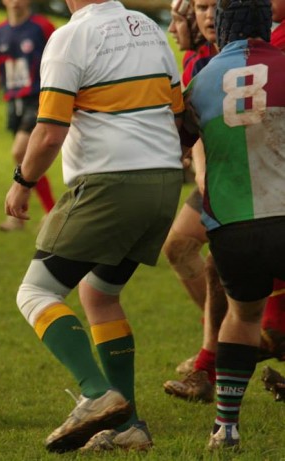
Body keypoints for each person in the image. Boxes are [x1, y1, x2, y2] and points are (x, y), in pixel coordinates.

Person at [4, 0, 184, 453]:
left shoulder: (69, 38)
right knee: (98, 293)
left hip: (111, 184)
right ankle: (129, 426)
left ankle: (94, 391)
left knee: (35, 293)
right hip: (164, 185)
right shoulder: (148, 28)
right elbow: (178, 114)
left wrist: (22, 183)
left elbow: (48, 133)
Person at [163, 0, 285, 402]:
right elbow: (186, 138)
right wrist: (200, 169)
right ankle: (231, 337)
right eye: (200, 7)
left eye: (213, 6)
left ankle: (214, 361)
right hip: (226, 173)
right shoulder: (197, 67)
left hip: (257, 178)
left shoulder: (252, 53)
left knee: (227, 266)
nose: (209, 15)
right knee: (181, 247)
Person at [0, 0, 56, 232]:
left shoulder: (42, 27)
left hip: (39, 99)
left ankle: (52, 211)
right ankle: (20, 215)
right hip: (14, 101)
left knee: (21, 151)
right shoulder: (0, 32)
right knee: (24, 159)